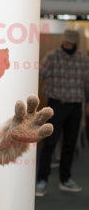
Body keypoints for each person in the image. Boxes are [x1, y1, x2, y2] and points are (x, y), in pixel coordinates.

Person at [36, 29, 89, 196]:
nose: (67, 45)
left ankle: (65, 180)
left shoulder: (83, 60)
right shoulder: (51, 57)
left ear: (76, 43)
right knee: (49, 143)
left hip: (75, 107)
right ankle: (42, 180)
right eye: (65, 42)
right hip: (55, 106)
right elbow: (37, 74)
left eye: (70, 43)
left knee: (70, 144)